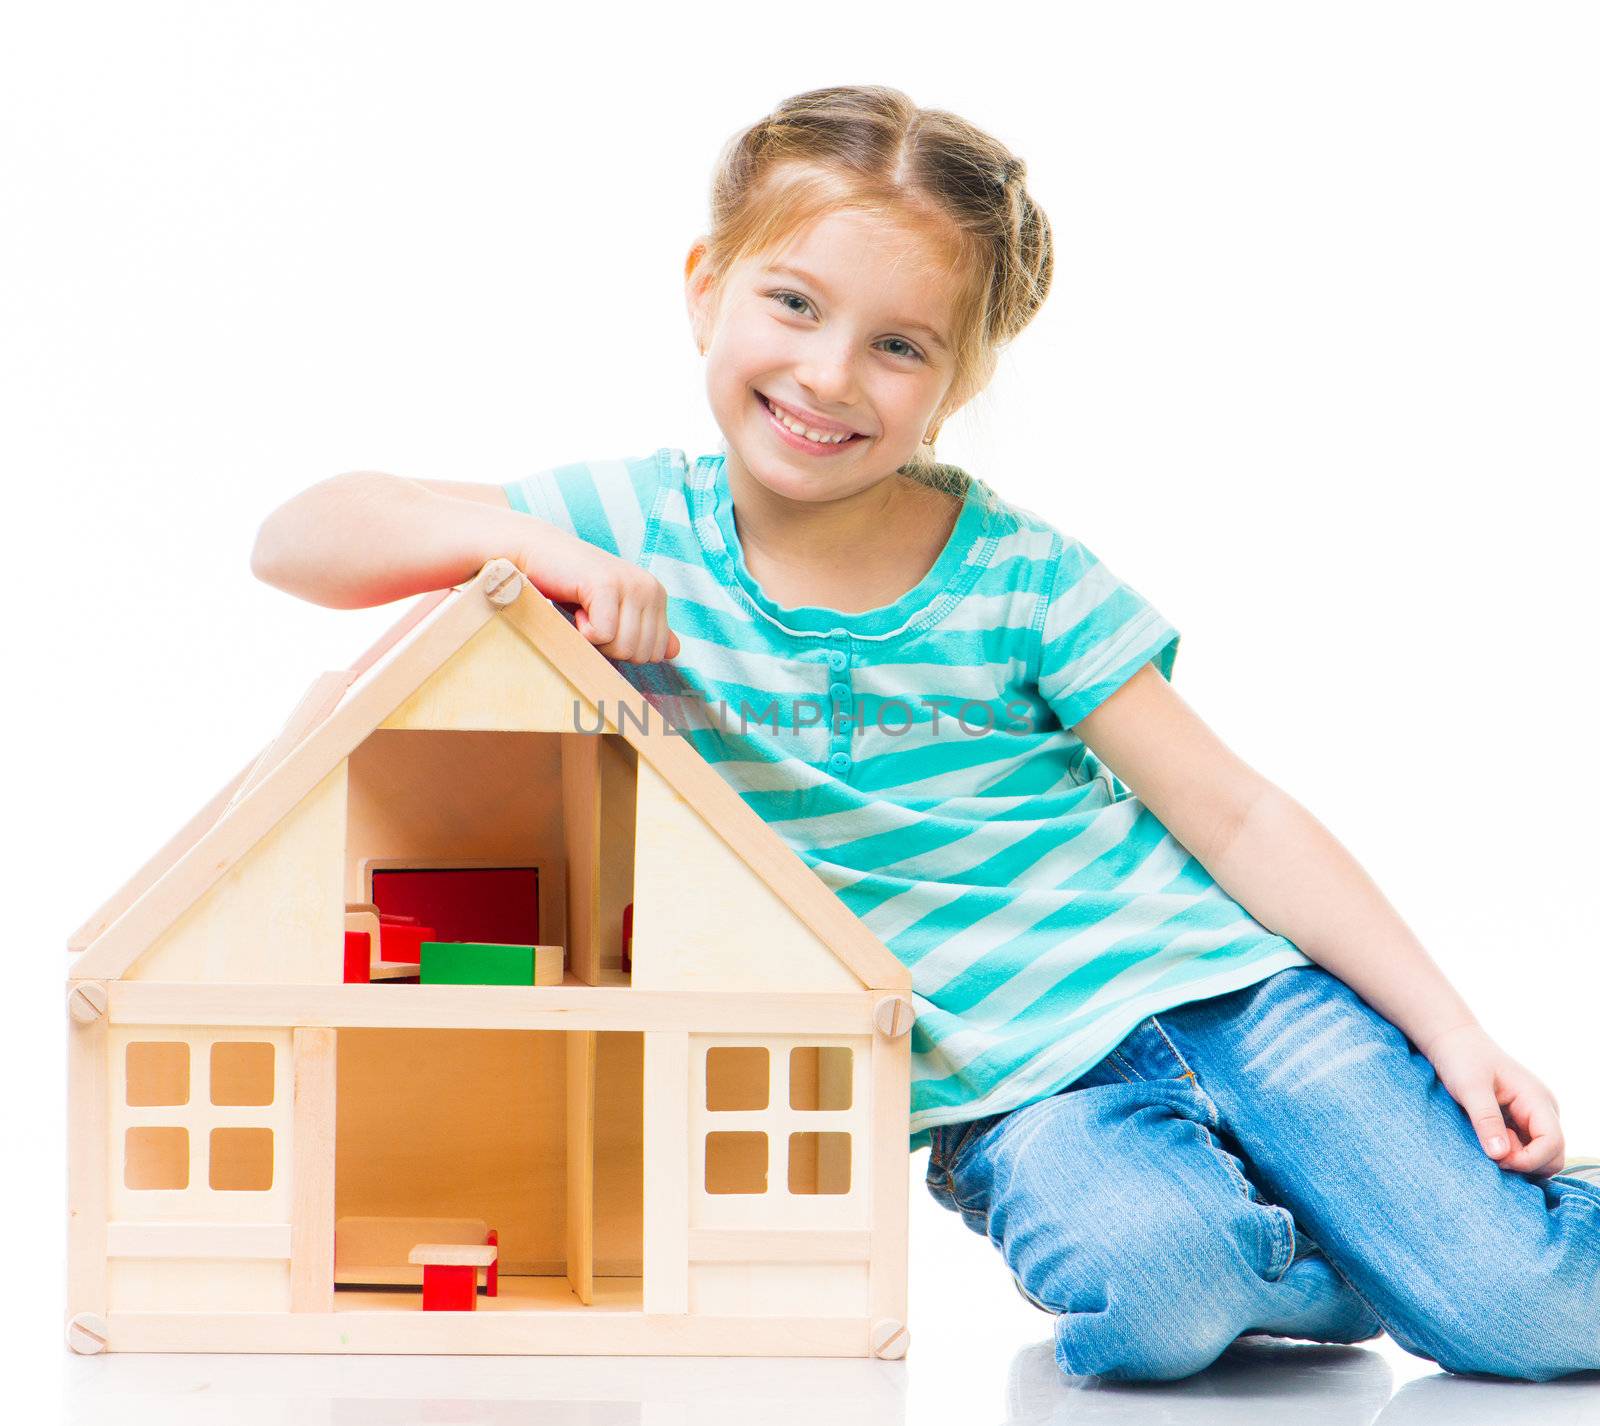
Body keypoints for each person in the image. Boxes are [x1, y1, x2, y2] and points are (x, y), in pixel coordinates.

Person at [250, 85, 1600, 1383]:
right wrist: (520, 540)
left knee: (1525, 1309)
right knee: (1158, 1293)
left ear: (962, 376)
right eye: (794, 303)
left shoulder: (1020, 573)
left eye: (900, 345)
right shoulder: (622, 526)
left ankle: (1422, 1228)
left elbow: (1235, 812)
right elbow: (298, 537)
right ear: (704, 285)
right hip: (1007, 1090)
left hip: (1229, 991)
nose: (828, 376)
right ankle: (1346, 1253)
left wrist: (1454, 1030)